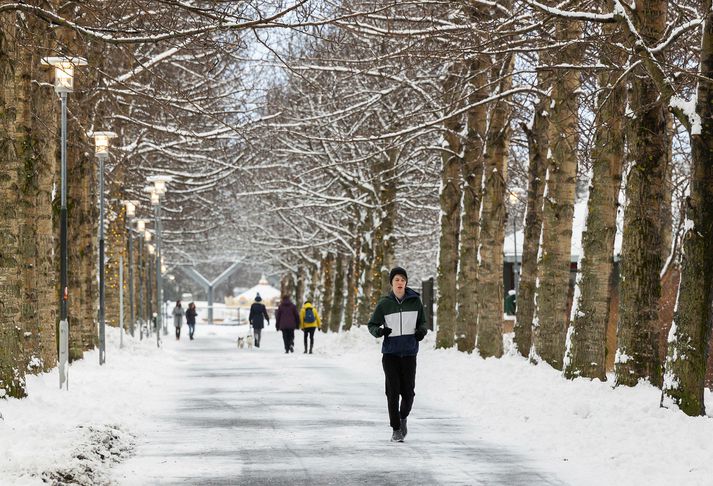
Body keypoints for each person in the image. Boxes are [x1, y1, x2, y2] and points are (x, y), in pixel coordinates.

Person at [368, 266, 428, 443]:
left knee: (408, 393)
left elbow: (423, 322)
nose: (400, 282)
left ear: (406, 282)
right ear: (392, 283)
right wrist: (380, 332)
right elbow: (372, 325)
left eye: (402, 279)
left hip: (409, 353)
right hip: (391, 354)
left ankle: (403, 418)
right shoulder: (384, 303)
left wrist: (421, 332)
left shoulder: (415, 301)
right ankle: (395, 428)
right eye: (396, 280)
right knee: (393, 392)